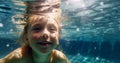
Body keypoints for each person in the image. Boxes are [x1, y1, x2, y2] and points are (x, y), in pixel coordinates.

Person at [0, 13, 70, 63]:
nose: (45, 34)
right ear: (26, 36)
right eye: (37, 28)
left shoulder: (59, 58)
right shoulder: (18, 57)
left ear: (58, 37)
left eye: (52, 29)